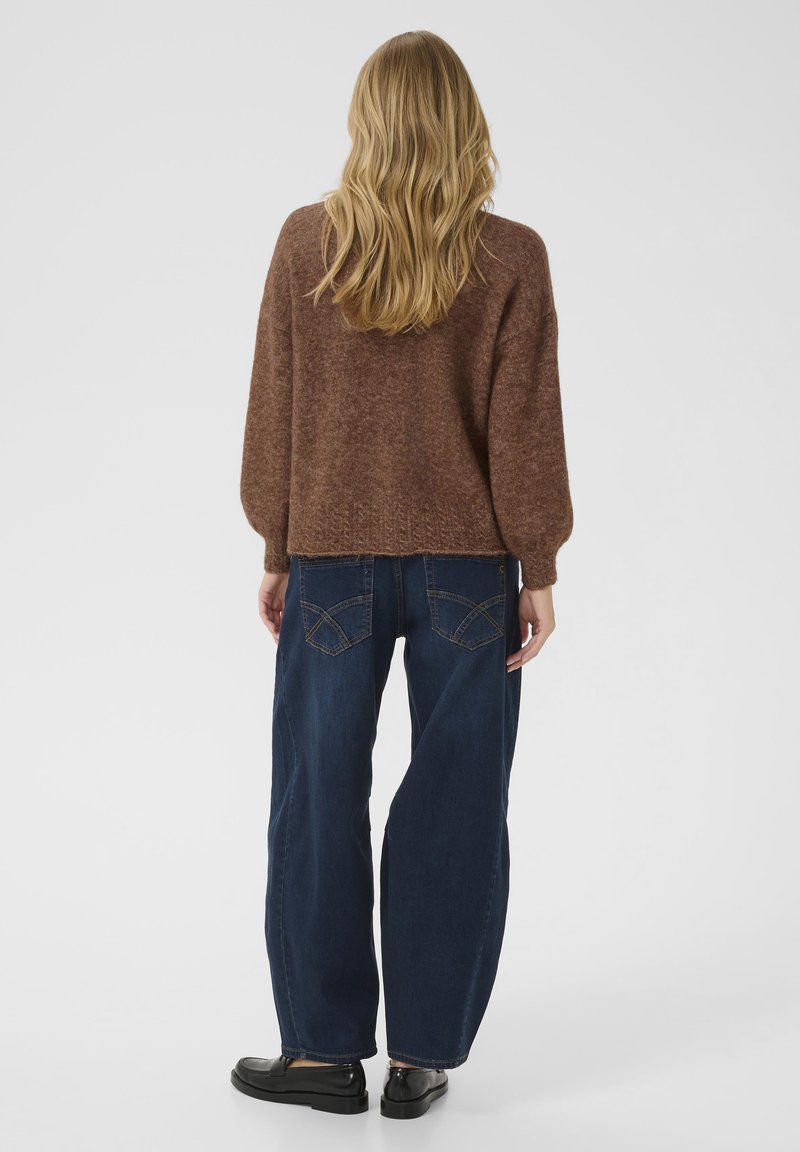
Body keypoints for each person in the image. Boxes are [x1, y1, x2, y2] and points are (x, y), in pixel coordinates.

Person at [230, 29, 573, 1120]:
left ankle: (321, 1053)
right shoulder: (510, 255)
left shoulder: (307, 243)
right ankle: (420, 1054)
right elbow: (524, 426)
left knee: (316, 792)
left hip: (330, 562)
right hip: (468, 570)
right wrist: (537, 562)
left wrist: (277, 544)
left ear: (364, 121)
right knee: (458, 798)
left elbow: (273, 411)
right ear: (464, 125)